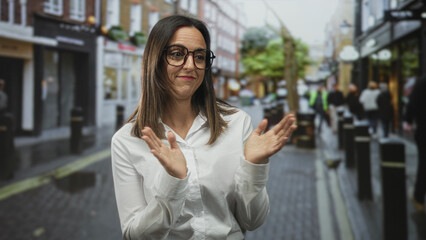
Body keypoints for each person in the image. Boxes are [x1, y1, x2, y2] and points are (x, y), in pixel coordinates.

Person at [111, 15, 297, 240]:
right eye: (177, 54)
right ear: (155, 60)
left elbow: (252, 221)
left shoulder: (237, 124)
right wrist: (173, 182)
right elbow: (133, 235)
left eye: (199, 56)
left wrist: (253, 166)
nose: (190, 65)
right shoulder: (126, 141)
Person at [404, 76, 426, 212]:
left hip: (424, 131)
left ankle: (419, 198)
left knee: (424, 164)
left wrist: (409, 120)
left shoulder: (422, 83)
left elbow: (412, 104)